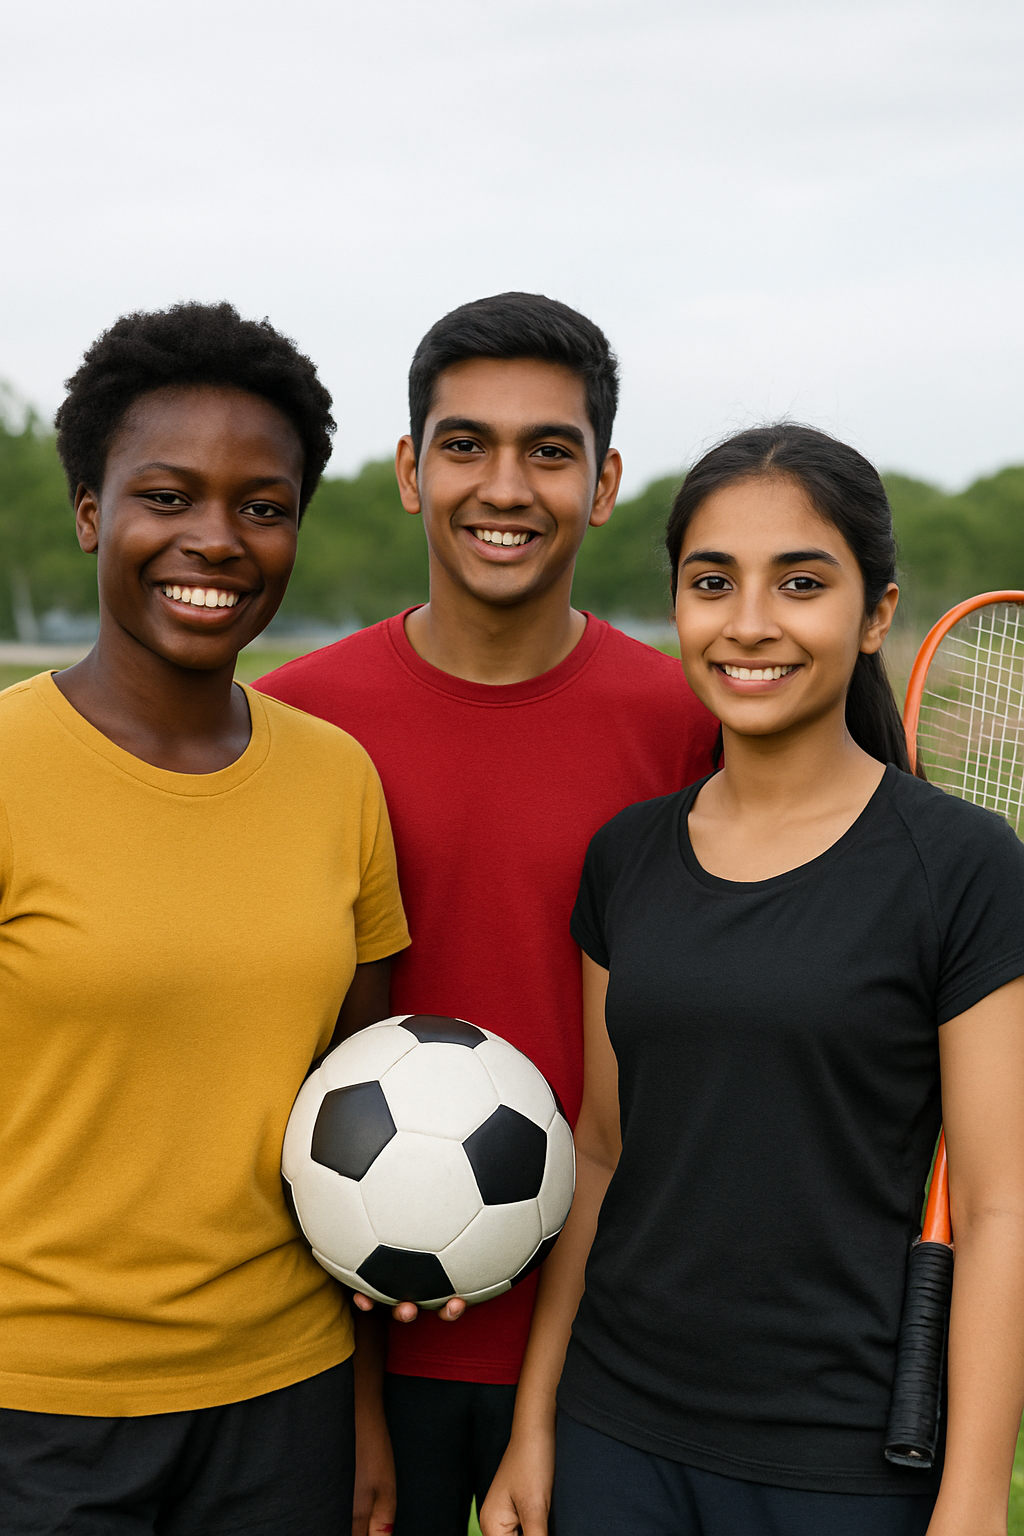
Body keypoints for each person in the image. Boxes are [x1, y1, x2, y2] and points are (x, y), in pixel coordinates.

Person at [482, 423, 1024, 1536]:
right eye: (712, 581)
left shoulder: (960, 867)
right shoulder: (625, 856)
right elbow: (600, 1150)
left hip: (846, 1467)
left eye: (801, 583)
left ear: (874, 613)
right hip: (615, 1437)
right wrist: (536, 1419)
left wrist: (970, 1498)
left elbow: (998, 1205)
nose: (749, 623)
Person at [256, 291, 720, 1534]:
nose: (502, 486)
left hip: (614, 1351)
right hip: (336, 1344)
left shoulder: (688, 728)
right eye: (465, 445)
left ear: (605, 481)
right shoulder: (296, 723)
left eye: (548, 451)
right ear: (411, 471)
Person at [0, 302, 410, 1536]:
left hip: (284, 1404)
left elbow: (362, 1124)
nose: (215, 540)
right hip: (37, 1421)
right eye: (167, 496)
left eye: (262, 506)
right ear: (90, 512)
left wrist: (364, 1415)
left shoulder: (339, 779)